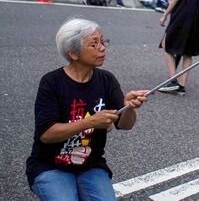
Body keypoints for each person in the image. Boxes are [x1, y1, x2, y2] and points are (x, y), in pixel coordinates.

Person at [25, 18, 148, 200]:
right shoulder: (51, 82)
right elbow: (47, 134)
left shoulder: (107, 80)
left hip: (90, 164)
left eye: (102, 41)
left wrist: (129, 107)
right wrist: (90, 122)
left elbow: (125, 125)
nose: (103, 47)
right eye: (94, 44)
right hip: (50, 165)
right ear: (73, 54)